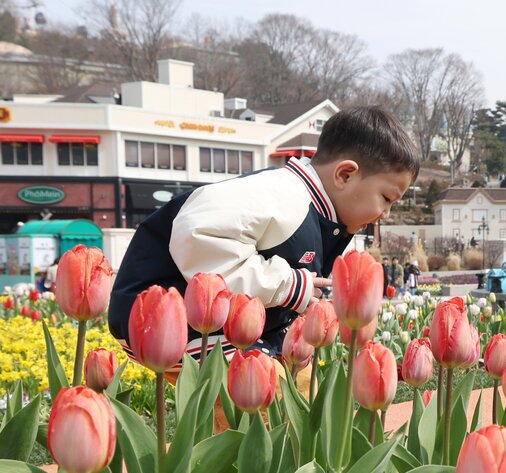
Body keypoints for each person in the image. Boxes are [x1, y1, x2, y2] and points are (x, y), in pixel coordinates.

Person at [109, 107, 419, 357]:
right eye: (386, 198)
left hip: (232, 329)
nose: (385, 214)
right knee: (266, 392)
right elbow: (196, 232)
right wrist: (286, 285)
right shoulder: (281, 194)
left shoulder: (321, 216)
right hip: (168, 322)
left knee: (300, 386)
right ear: (345, 175)